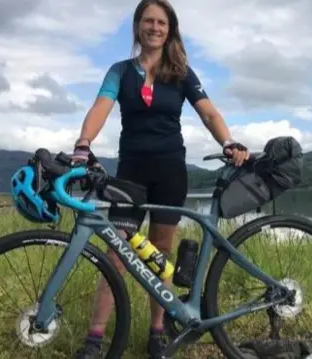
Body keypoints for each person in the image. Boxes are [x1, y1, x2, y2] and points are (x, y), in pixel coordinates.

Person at [70, 0, 249, 358]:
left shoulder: (181, 72)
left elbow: (209, 112)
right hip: (131, 173)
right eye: (148, 21)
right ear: (138, 27)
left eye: (161, 22)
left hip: (170, 172)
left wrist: (228, 141)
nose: (155, 27)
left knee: (159, 253)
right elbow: (100, 107)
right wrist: (83, 142)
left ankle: (157, 333)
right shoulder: (120, 71)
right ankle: (95, 339)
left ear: (170, 30)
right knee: (115, 253)